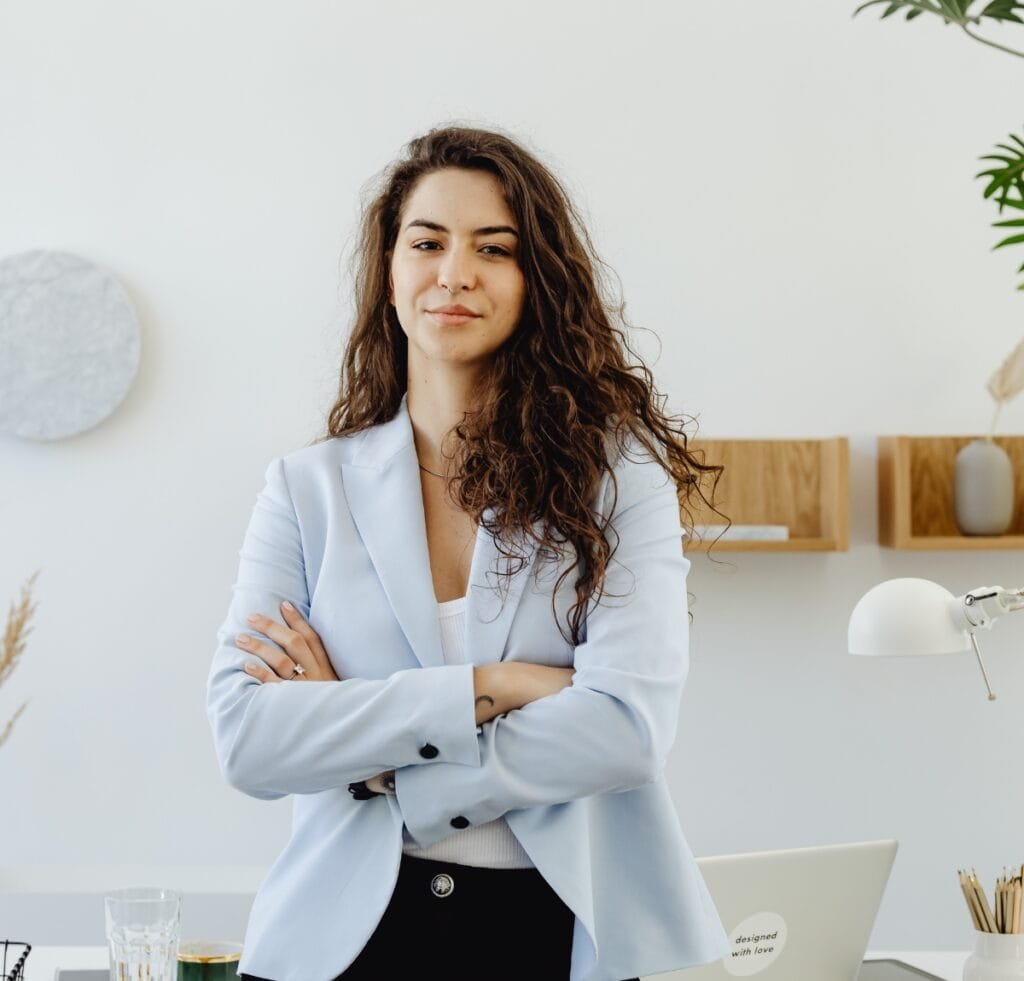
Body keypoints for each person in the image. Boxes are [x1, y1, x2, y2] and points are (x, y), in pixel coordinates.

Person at [206, 123, 729, 981]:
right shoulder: (307, 490)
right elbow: (250, 739)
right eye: (428, 242)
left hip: (556, 929)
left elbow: (625, 731)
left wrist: (383, 764)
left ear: (536, 282)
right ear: (390, 271)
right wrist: (496, 688)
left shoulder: (614, 475)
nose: (454, 272)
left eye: (494, 247)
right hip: (342, 936)